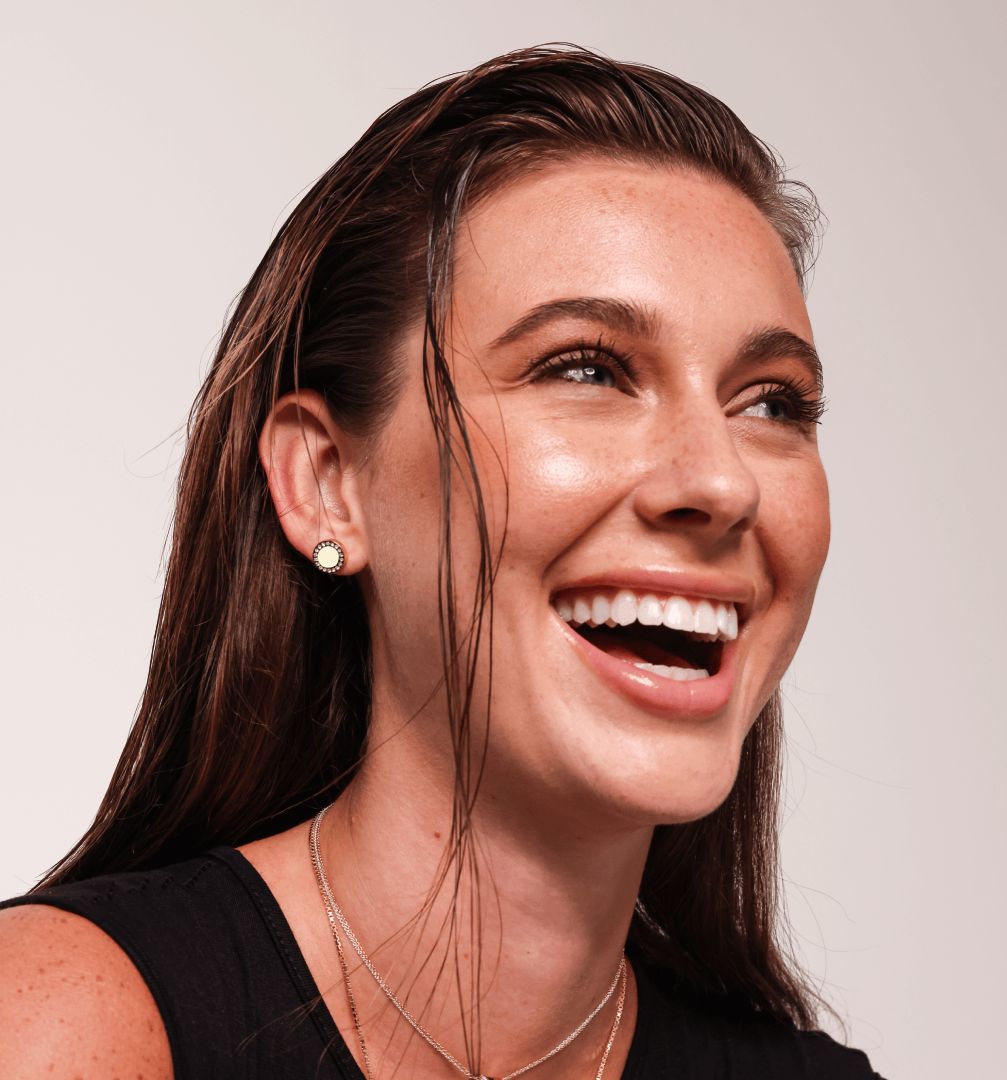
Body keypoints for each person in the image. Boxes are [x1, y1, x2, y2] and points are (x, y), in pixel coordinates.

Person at [0, 44, 885, 1079]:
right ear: (328, 481)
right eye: (588, 370)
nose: (722, 482)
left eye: (773, 402)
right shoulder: (69, 1028)